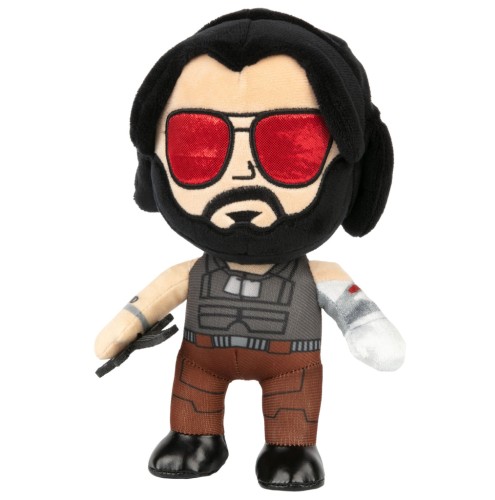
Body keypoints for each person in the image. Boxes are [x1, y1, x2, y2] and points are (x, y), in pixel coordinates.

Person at [95, 8, 405, 491]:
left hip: (290, 360)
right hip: (203, 358)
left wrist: (366, 327)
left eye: (289, 147)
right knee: (194, 394)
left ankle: (290, 445)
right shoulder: (190, 273)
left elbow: (354, 307)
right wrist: (123, 331)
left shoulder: (319, 274)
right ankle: (195, 436)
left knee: (292, 406)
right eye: (200, 146)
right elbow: (149, 301)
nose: (242, 173)